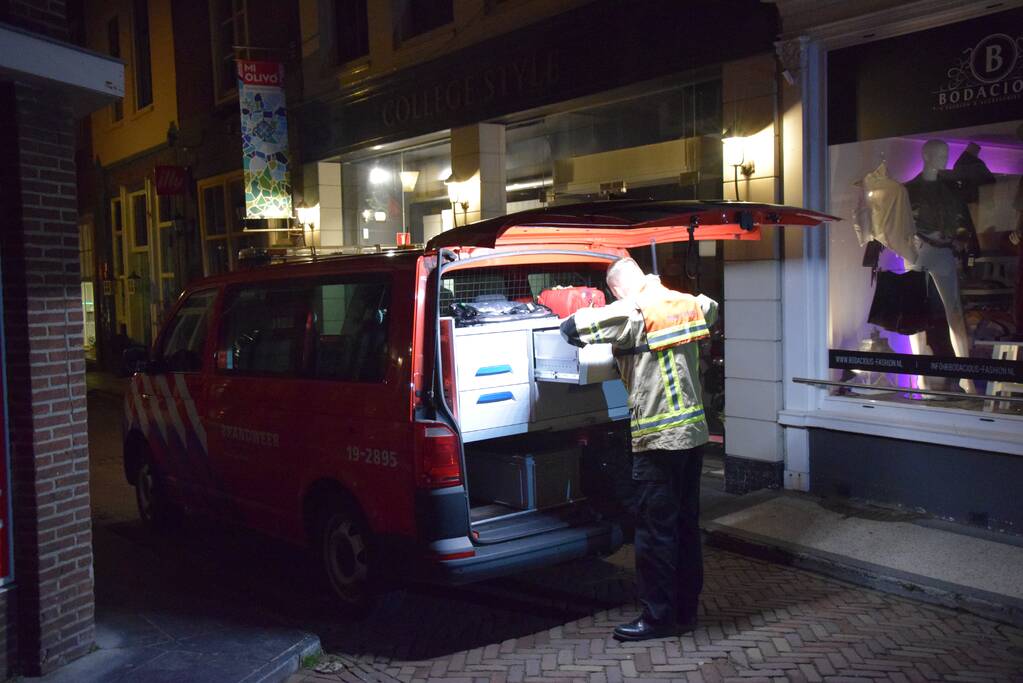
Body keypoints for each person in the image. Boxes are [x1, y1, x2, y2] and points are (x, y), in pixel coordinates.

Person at [560, 257, 717, 642]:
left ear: (616, 289)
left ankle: (657, 619)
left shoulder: (631, 312)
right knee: (685, 528)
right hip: (694, 435)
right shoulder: (688, 302)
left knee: (653, 534)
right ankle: (684, 612)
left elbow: (571, 328)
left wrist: (578, 306)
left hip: (658, 439)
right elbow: (711, 309)